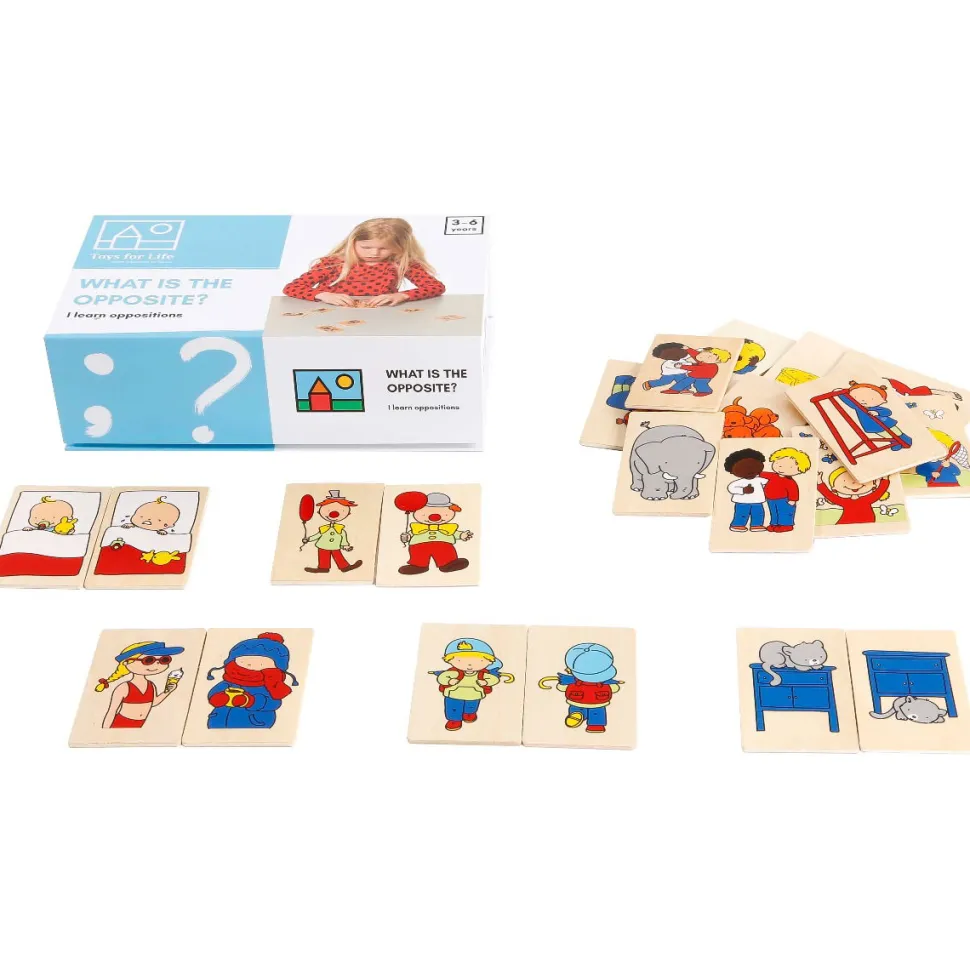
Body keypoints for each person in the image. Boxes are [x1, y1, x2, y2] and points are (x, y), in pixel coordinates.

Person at [283, 218, 445, 306]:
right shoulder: (333, 263)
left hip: (378, 320)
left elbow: (436, 287)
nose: (374, 253)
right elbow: (292, 288)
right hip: (329, 317)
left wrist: (403, 295)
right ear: (352, 242)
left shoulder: (400, 264)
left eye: (384, 248)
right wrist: (323, 295)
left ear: (399, 248)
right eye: (366, 247)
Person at [206, 632, 299, 729]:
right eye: (243, 661)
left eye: (261, 663)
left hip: (253, 724)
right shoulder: (230, 681)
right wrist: (218, 697)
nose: (250, 665)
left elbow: (272, 703)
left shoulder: (271, 685)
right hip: (219, 721)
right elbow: (216, 690)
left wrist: (249, 701)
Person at [95, 641, 185, 729]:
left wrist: (167, 692)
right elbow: (112, 712)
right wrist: (104, 732)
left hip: (139, 726)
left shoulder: (151, 685)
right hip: (120, 724)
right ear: (127, 663)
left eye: (164, 660)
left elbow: (153, 702)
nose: (157, 664)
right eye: (149, 660)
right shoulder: (124, 688)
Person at [432, 637, 513, 731]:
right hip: (454, 694)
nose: (469, 665)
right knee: (453, 708)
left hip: (474, 694)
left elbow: (493, 679)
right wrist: (449, 681)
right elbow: (442, 678)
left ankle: (469, 713)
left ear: (489, 662)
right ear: (449, 660)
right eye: (460, 661)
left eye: (479, 661)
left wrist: (485, 682)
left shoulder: (481, 674)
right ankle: (454, 720)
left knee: (471, 706)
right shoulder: (453, 673)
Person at [539, 643, 621, 734]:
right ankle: (595, 726)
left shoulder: (571, 680)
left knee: (578, 709)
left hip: (577, 701)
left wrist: (562, 683)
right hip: (598, 703)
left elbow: (561, 687)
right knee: (597, 714)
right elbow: (615, 688)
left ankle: (577, 715)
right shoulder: (605, 682)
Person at [399, 492, 473, 575]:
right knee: (418, 554)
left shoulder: (448, 528)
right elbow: (411, 533)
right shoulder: (416, 527)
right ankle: (418, 565)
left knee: (446, 551)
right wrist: (407, 537)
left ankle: (448, 563)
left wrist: (461, 535)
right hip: (419, 544)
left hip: (443, 543)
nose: (434, 517)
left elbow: (454, 533)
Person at [837, 382, 912, 450]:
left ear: (882, 401)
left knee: (897, 433)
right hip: (873, 426)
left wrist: (877, 412)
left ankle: (906, 439)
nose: (863, 400)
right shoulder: (858, 407)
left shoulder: (876, 408)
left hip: (886, 423)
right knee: (887, 436)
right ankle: (895, 443)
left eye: (871, 398)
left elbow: (888, 412)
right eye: (857, 397)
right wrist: (841, 393)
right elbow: (849, 402)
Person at [302, 490, 362, 573]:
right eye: (328, 510)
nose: (333, 514)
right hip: (323, 545)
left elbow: (343, 538)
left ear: (348, 513)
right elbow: (318, 535)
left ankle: (345, 567)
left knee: (338, 556)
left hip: (335, 546)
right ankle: (323, 568)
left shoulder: (340, 529)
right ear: (319, 512)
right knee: (323, 556)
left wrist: (345, 546)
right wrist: (308, 539)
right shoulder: (324, 528)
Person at [817, 467, 891, 524]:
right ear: (834, 488)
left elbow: (880, 491)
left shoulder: (867, 499)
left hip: (868, 522)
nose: (853, 483)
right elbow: (829, 495)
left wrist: (885, 477)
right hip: (845, 523)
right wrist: (819, 481)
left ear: (873, 485)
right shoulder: (845, 502)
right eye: (845, 480)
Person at [762, 447, 812, 532]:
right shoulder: (772, 475)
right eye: (779, 465)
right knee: (774, 512)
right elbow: (761, 473)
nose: (781, 468)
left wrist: (793, 500)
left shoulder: (790, 482)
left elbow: (794, 491)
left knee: (784, 513)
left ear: (799, 469)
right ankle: (774, 524)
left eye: (790, 467)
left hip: (784, 500)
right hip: (770, 499)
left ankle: (786, 525)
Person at [723, 448, 769, 532]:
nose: (750, 471)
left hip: (757, 501)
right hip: (742, 502)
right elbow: (731, 488)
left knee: (758, 514)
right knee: (741, 514)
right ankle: (737, 525)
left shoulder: (759, 480)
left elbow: (768, 483)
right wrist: (743, 491)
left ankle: (757, 525)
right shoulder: (738, 482)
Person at [665, 347, 732, 396]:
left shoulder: (710, 366)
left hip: (704, 377)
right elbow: (696, 355)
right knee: (684, 381)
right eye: (702, 354)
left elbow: (695, 368)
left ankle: (705, 391)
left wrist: (681, 366)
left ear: (716, 361)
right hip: (695, 375)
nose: (701, 356)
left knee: (699, 384)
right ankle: (674, 390)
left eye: (709, 357)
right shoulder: (703, 359)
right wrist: (688, 349)